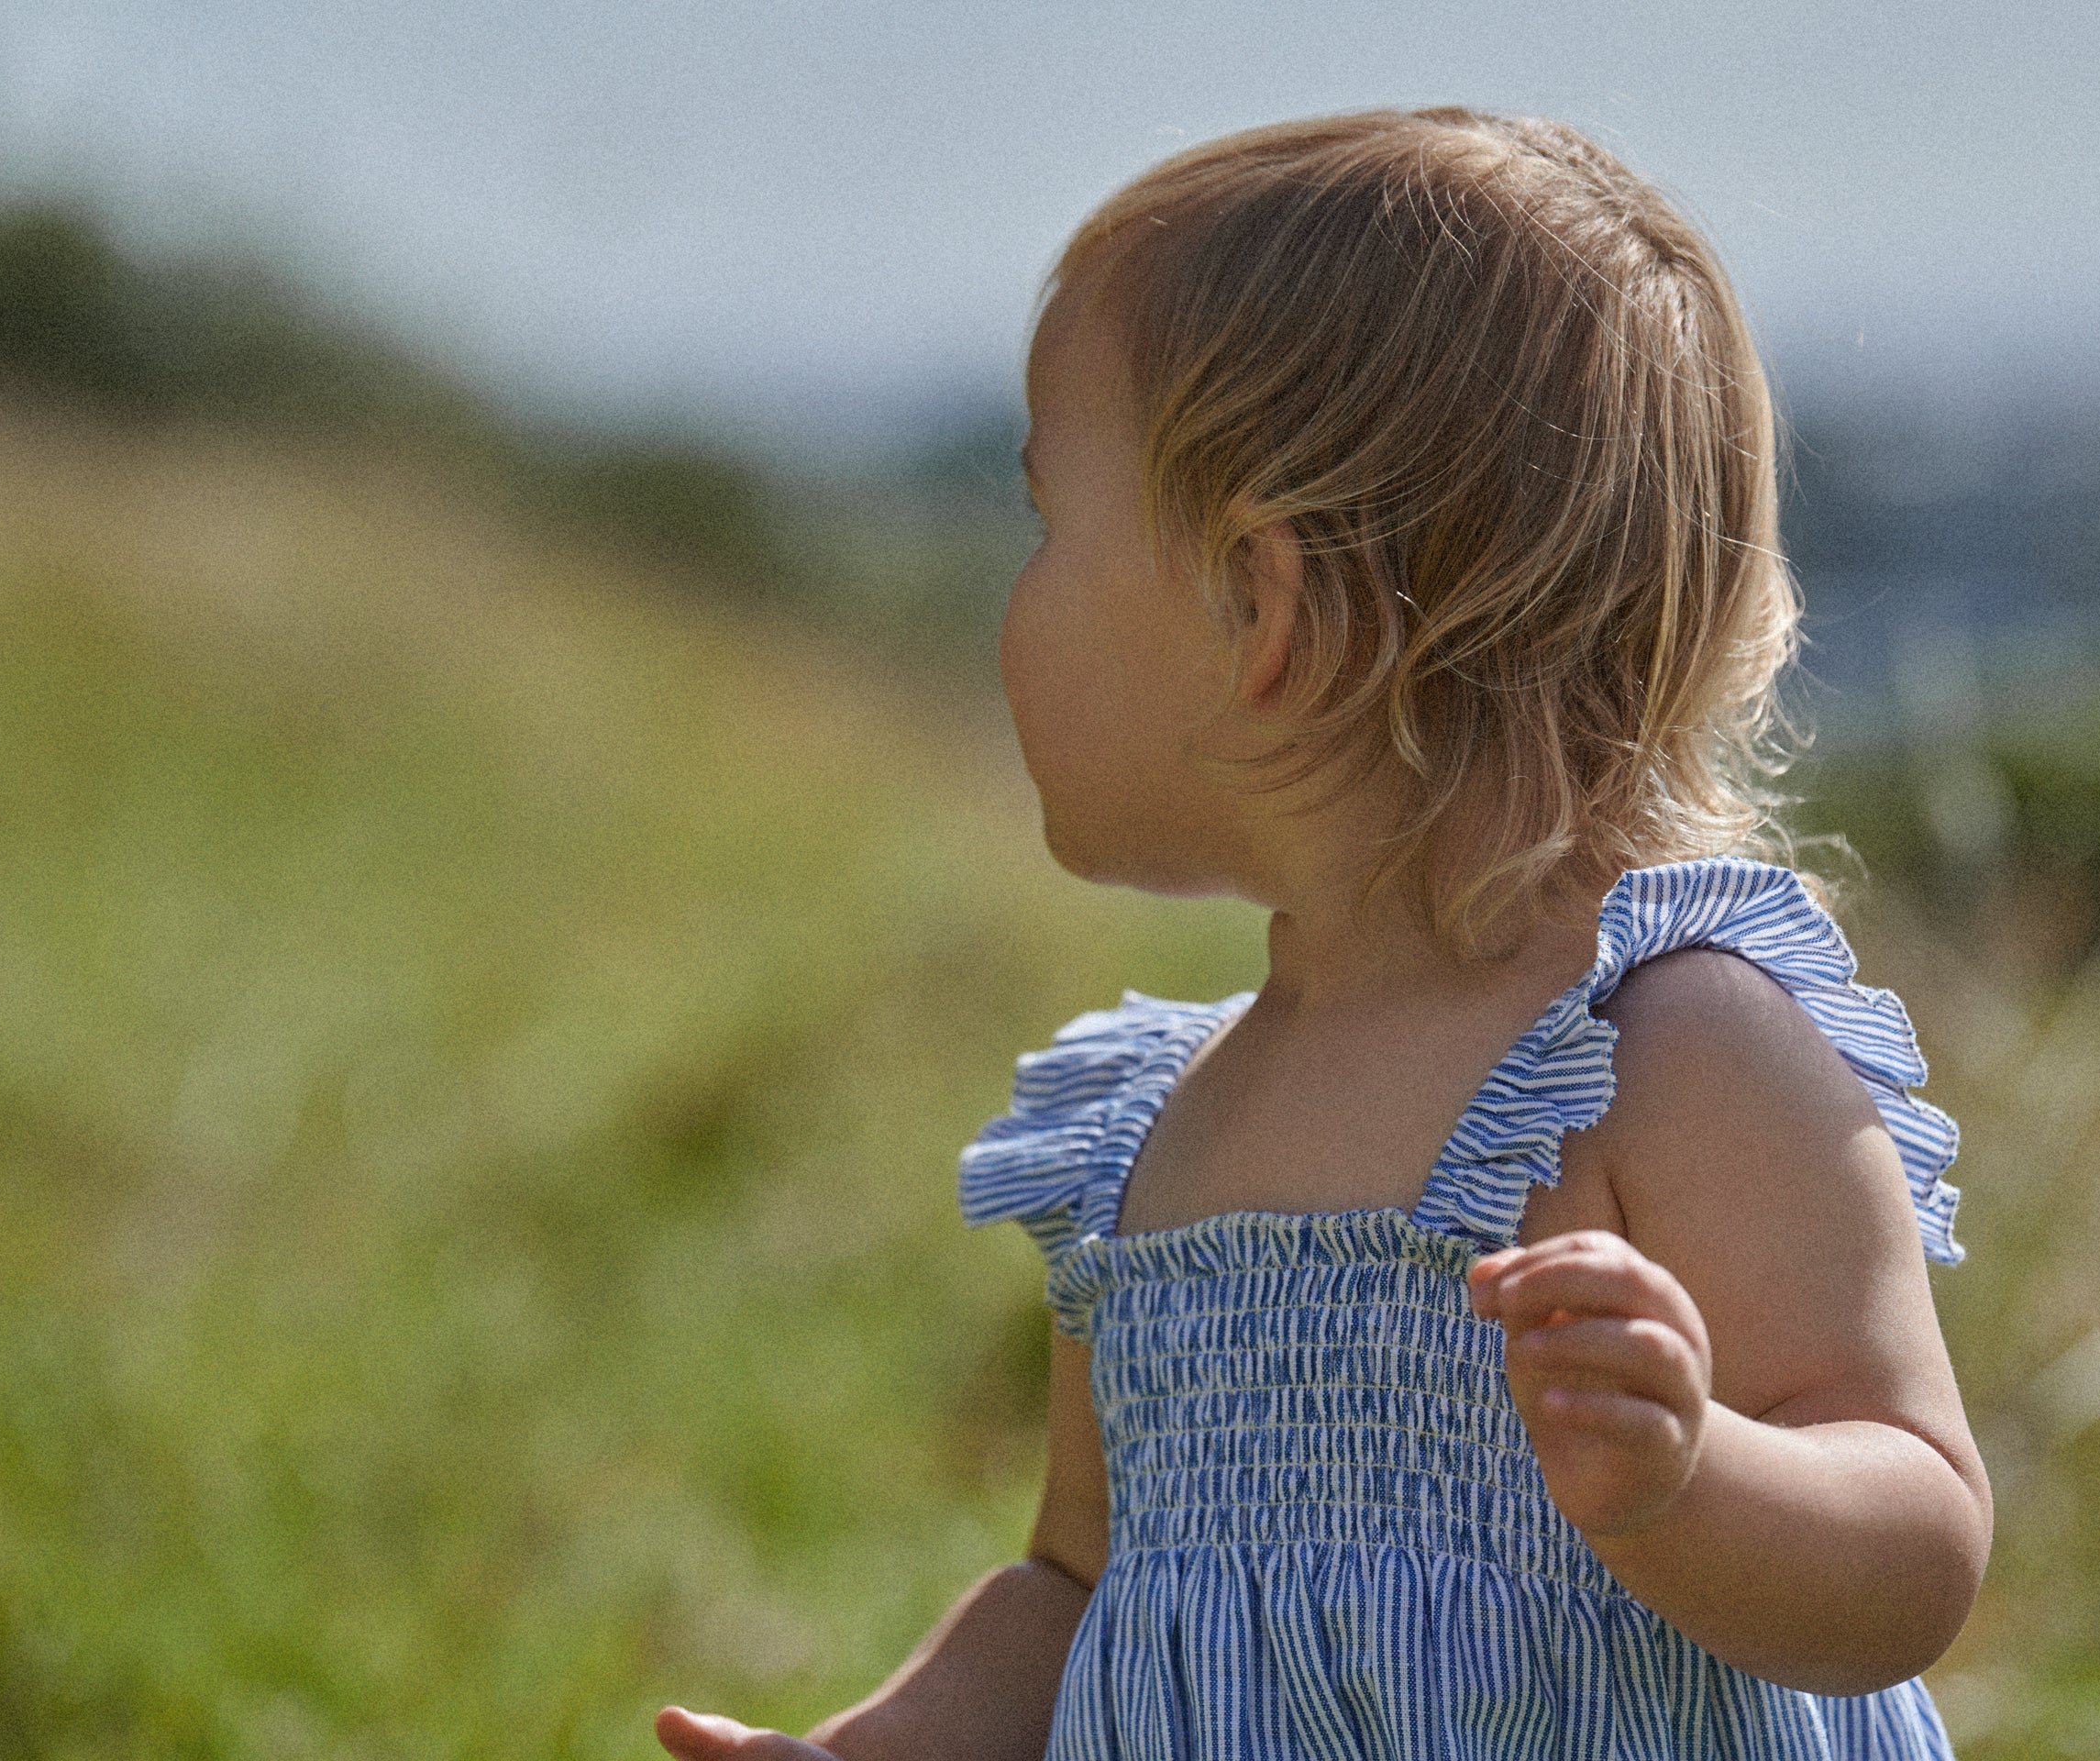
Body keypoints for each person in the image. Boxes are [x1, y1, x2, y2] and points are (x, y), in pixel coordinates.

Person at [658, 107, 1990, 1760]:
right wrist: (873, 1750)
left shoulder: (1666, 1050)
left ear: (1260, 608)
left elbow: (1918, 1537)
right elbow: (1081, 1585)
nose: (1016, 597)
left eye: (1047, 525)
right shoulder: (1160, 1127)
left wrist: (1689, 1482)